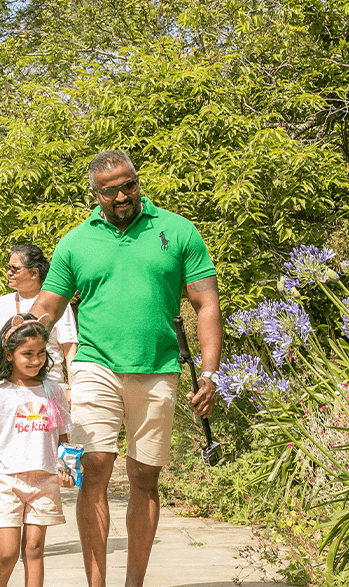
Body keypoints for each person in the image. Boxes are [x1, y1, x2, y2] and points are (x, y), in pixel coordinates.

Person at [30, 150, 223, 587]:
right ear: (95, 194)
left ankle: (133, 582)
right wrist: (24, 333)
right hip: (95, 364)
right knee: (94, 466)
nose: (122, 195)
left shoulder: (176, 231)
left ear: (137, 181)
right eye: (111, 189)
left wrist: (210, 374)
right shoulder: (76, 242)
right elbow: (49, 304)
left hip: (159, 368)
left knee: (144, 476)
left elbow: (206, 302)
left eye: (128, 184)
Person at [0, 313, 74, 587]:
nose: (35, 360)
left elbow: (63, 434)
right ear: (9, 354)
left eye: (40, 353)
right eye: (27, 353)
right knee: (8, 552)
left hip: (45, 480)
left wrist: (67, 469)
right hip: (7, 482)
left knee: (35, 549)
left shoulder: (53, 390)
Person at [0, 244, 78, 418]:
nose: (8, 273)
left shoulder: (56, 304)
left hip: (47, 389)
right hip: (8, 390)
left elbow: (69, 349)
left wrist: (73, 389)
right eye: (8, 268)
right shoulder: (1, 304)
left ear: (34, 273)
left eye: (15, 269)